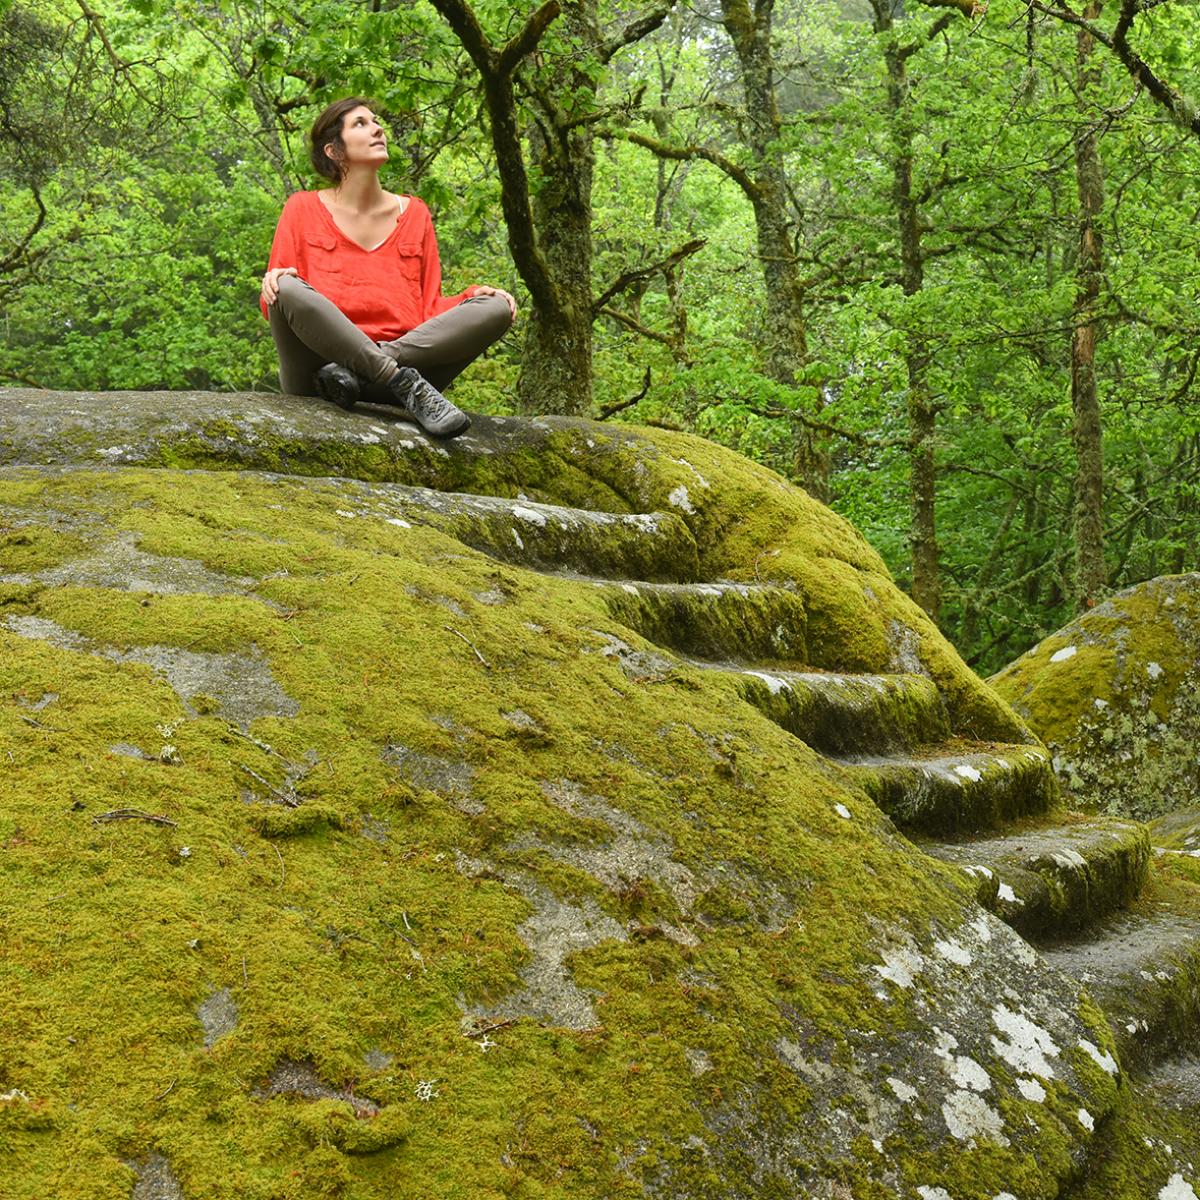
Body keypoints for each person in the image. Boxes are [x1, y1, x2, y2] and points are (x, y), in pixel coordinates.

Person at [260, 97, 515, 438]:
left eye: (376, 121)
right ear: (333, 151)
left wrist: (472, 297)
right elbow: (276, 301)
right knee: (286, 288)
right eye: (361, 124)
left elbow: (428, 306)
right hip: (317, 373)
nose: (378, 128)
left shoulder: (416, 213)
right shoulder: (301, 208)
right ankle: (396, 378)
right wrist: (274, 281)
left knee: (498, 307)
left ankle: (372, 369)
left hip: (393, 368)